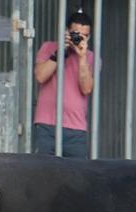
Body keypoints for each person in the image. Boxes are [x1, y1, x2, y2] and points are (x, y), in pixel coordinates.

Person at [33, 10, 96, 157]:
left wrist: (82, 58)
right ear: (67, 31)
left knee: (78, 174)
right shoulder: (48, 47)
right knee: (42, 171)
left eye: (84, 36)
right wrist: (60, 52)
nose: (79, 39)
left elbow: (86, 89)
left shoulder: (91, 57)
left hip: (76, 128)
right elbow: (40, 77)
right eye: (76, 34)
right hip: (47, 125)